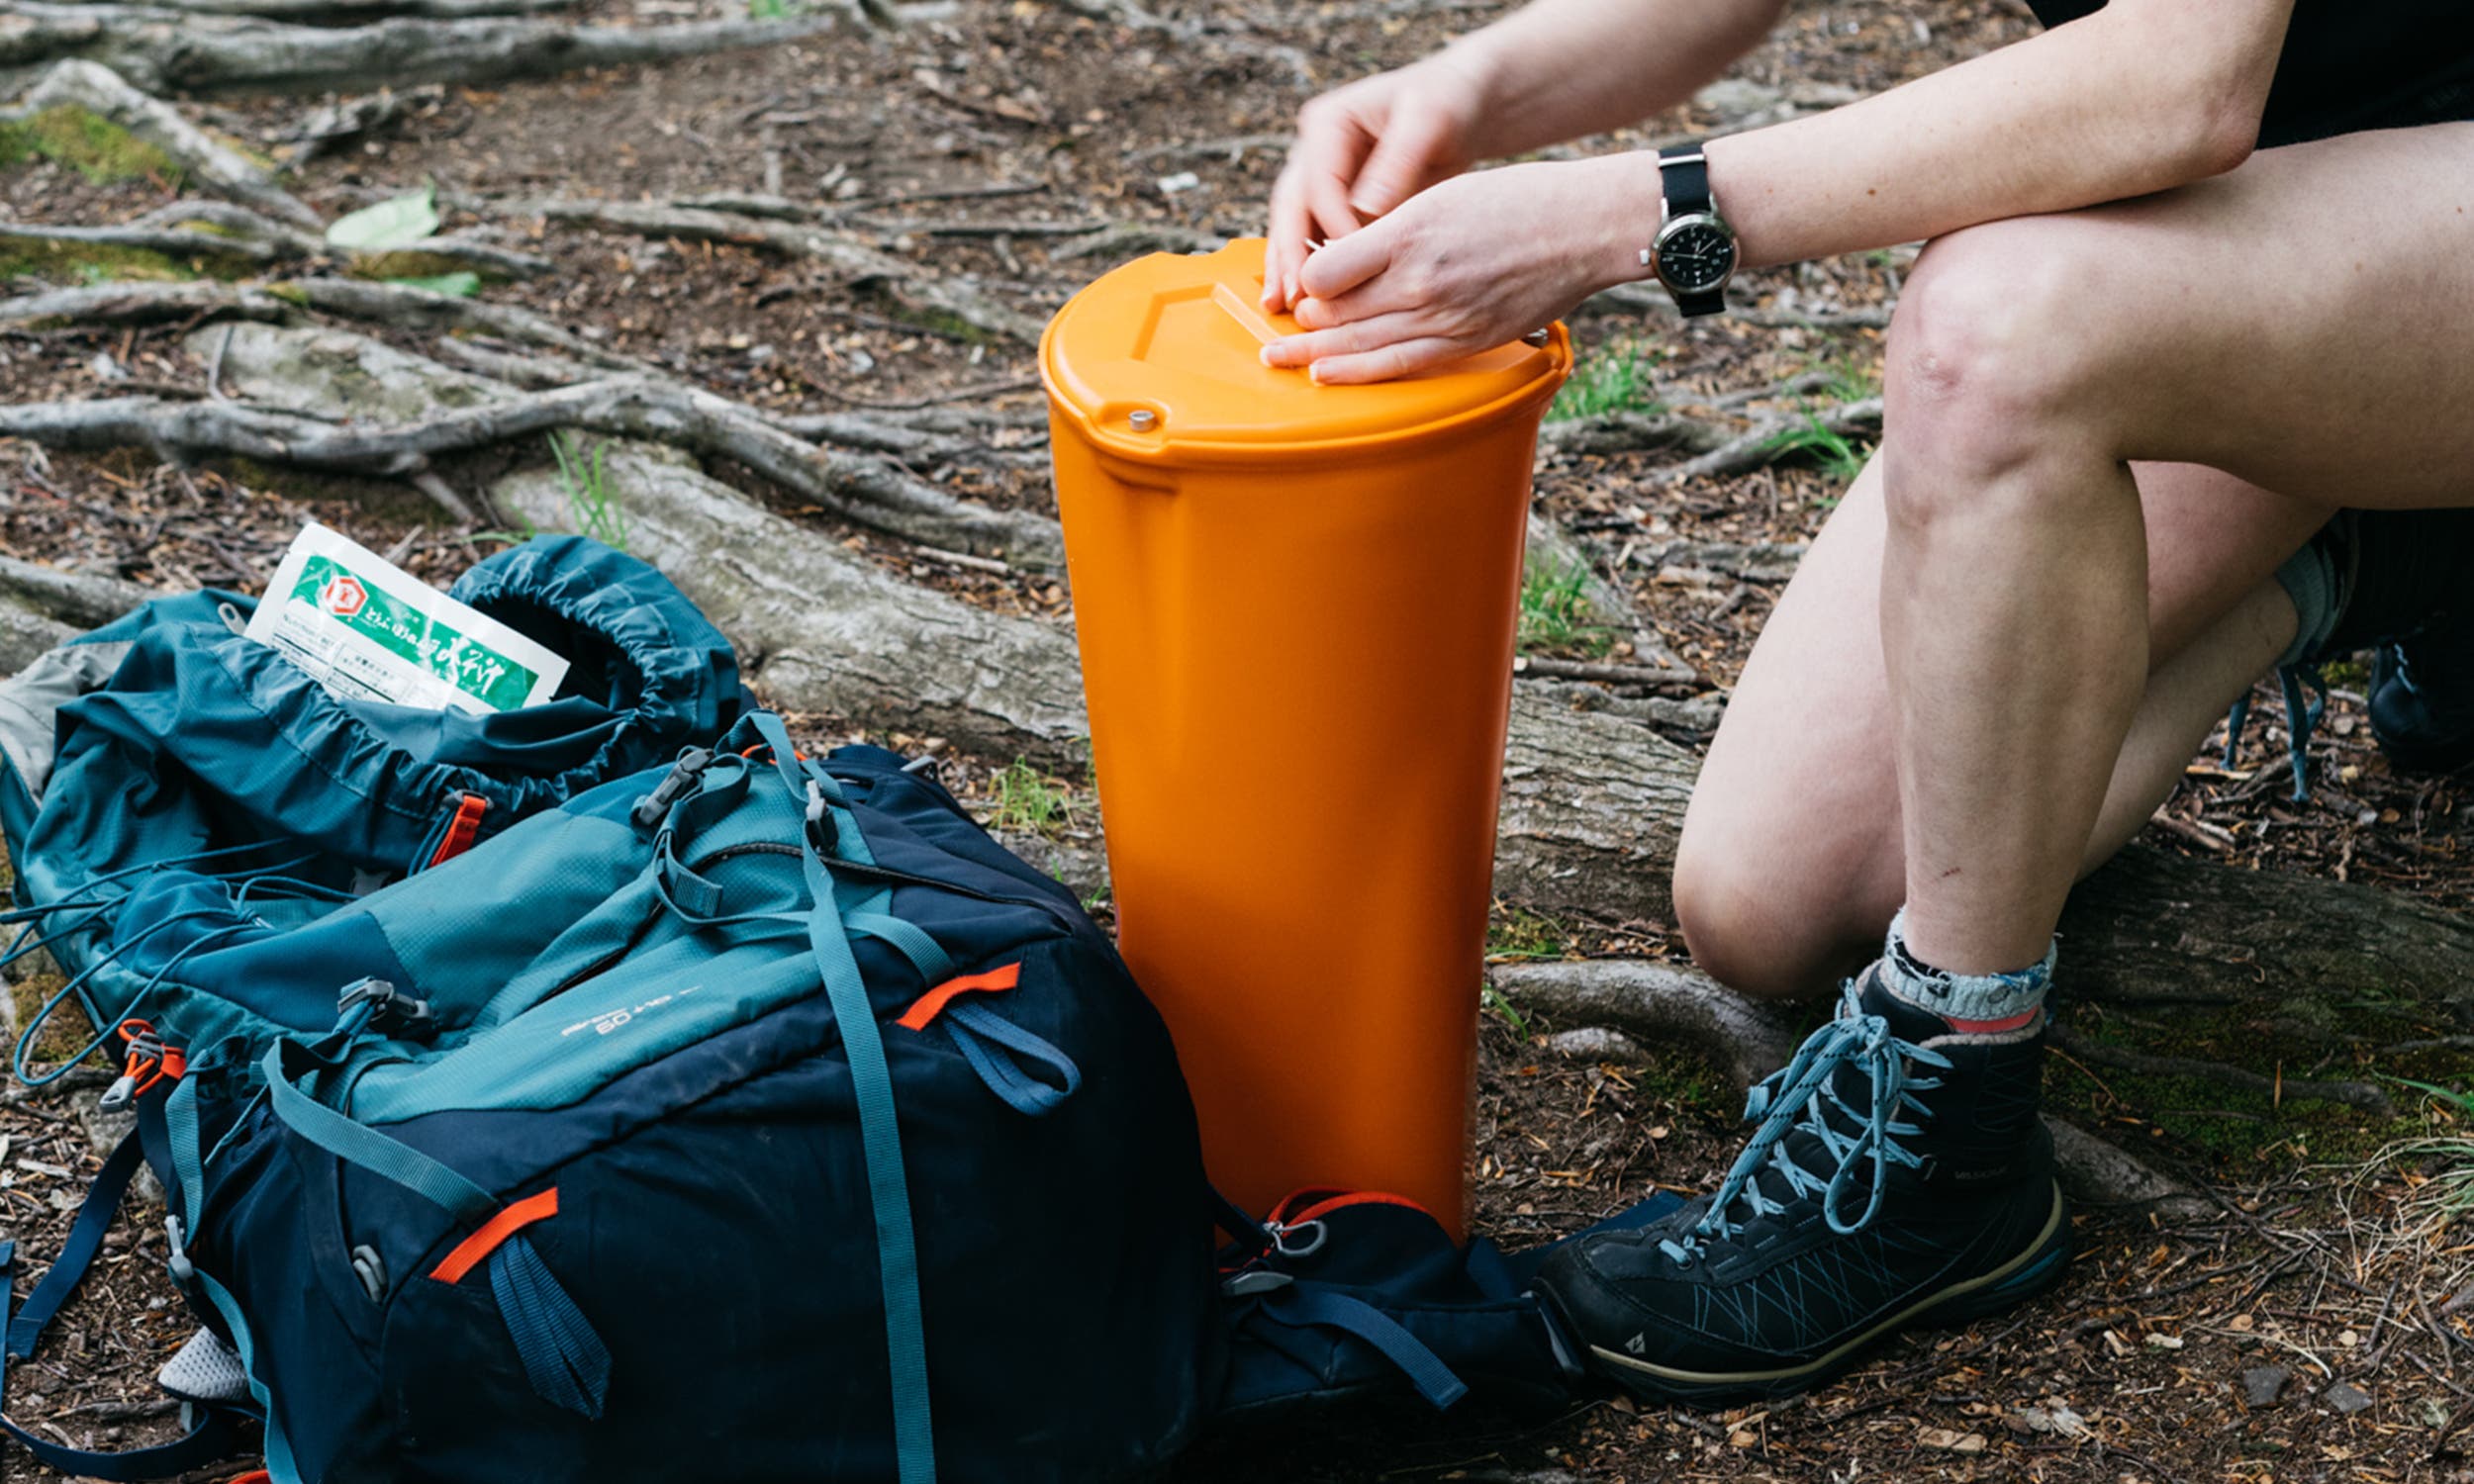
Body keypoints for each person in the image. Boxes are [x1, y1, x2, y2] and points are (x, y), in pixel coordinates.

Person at [1259, 0, 2474, 1405]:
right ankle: (2396, 552)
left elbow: (2174, 83)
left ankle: (1953, 1123)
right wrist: (1470, 89)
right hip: (2291, 215)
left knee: (1997, 332)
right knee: (1776, 899)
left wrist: (1629, 214)